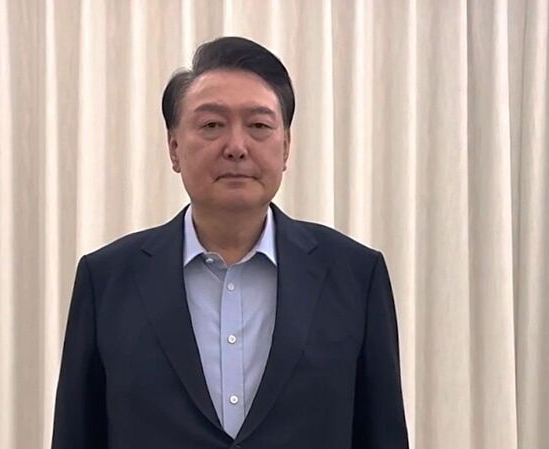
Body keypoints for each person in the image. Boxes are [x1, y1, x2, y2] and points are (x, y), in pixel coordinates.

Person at [51, 36, 409, 449]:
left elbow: (382, 433)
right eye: (211, 125)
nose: (237, 147)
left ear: (286, 147)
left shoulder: (355, 275)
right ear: (174, 148)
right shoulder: (107, 279)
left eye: (258, 126)